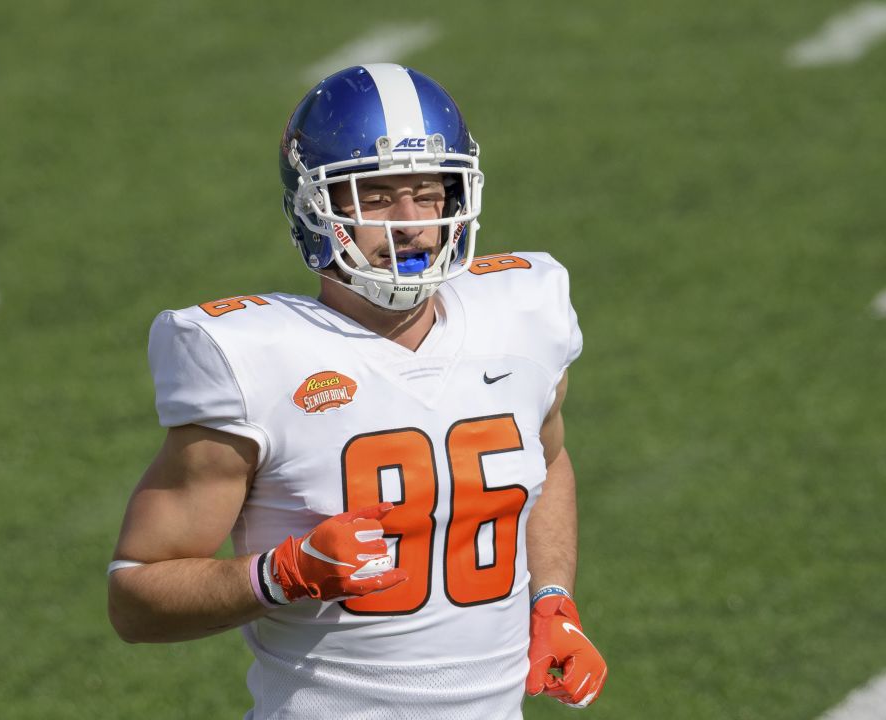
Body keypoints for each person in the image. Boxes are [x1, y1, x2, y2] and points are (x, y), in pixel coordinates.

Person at [107, 63, 607, 718]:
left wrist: (553, 600)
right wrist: (282, 574)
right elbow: (138, 598)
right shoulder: (256, 361)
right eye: (375, 196)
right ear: (315, 208)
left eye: (429, 192)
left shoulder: (523, 319)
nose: (411, 223)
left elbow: (547, 462)